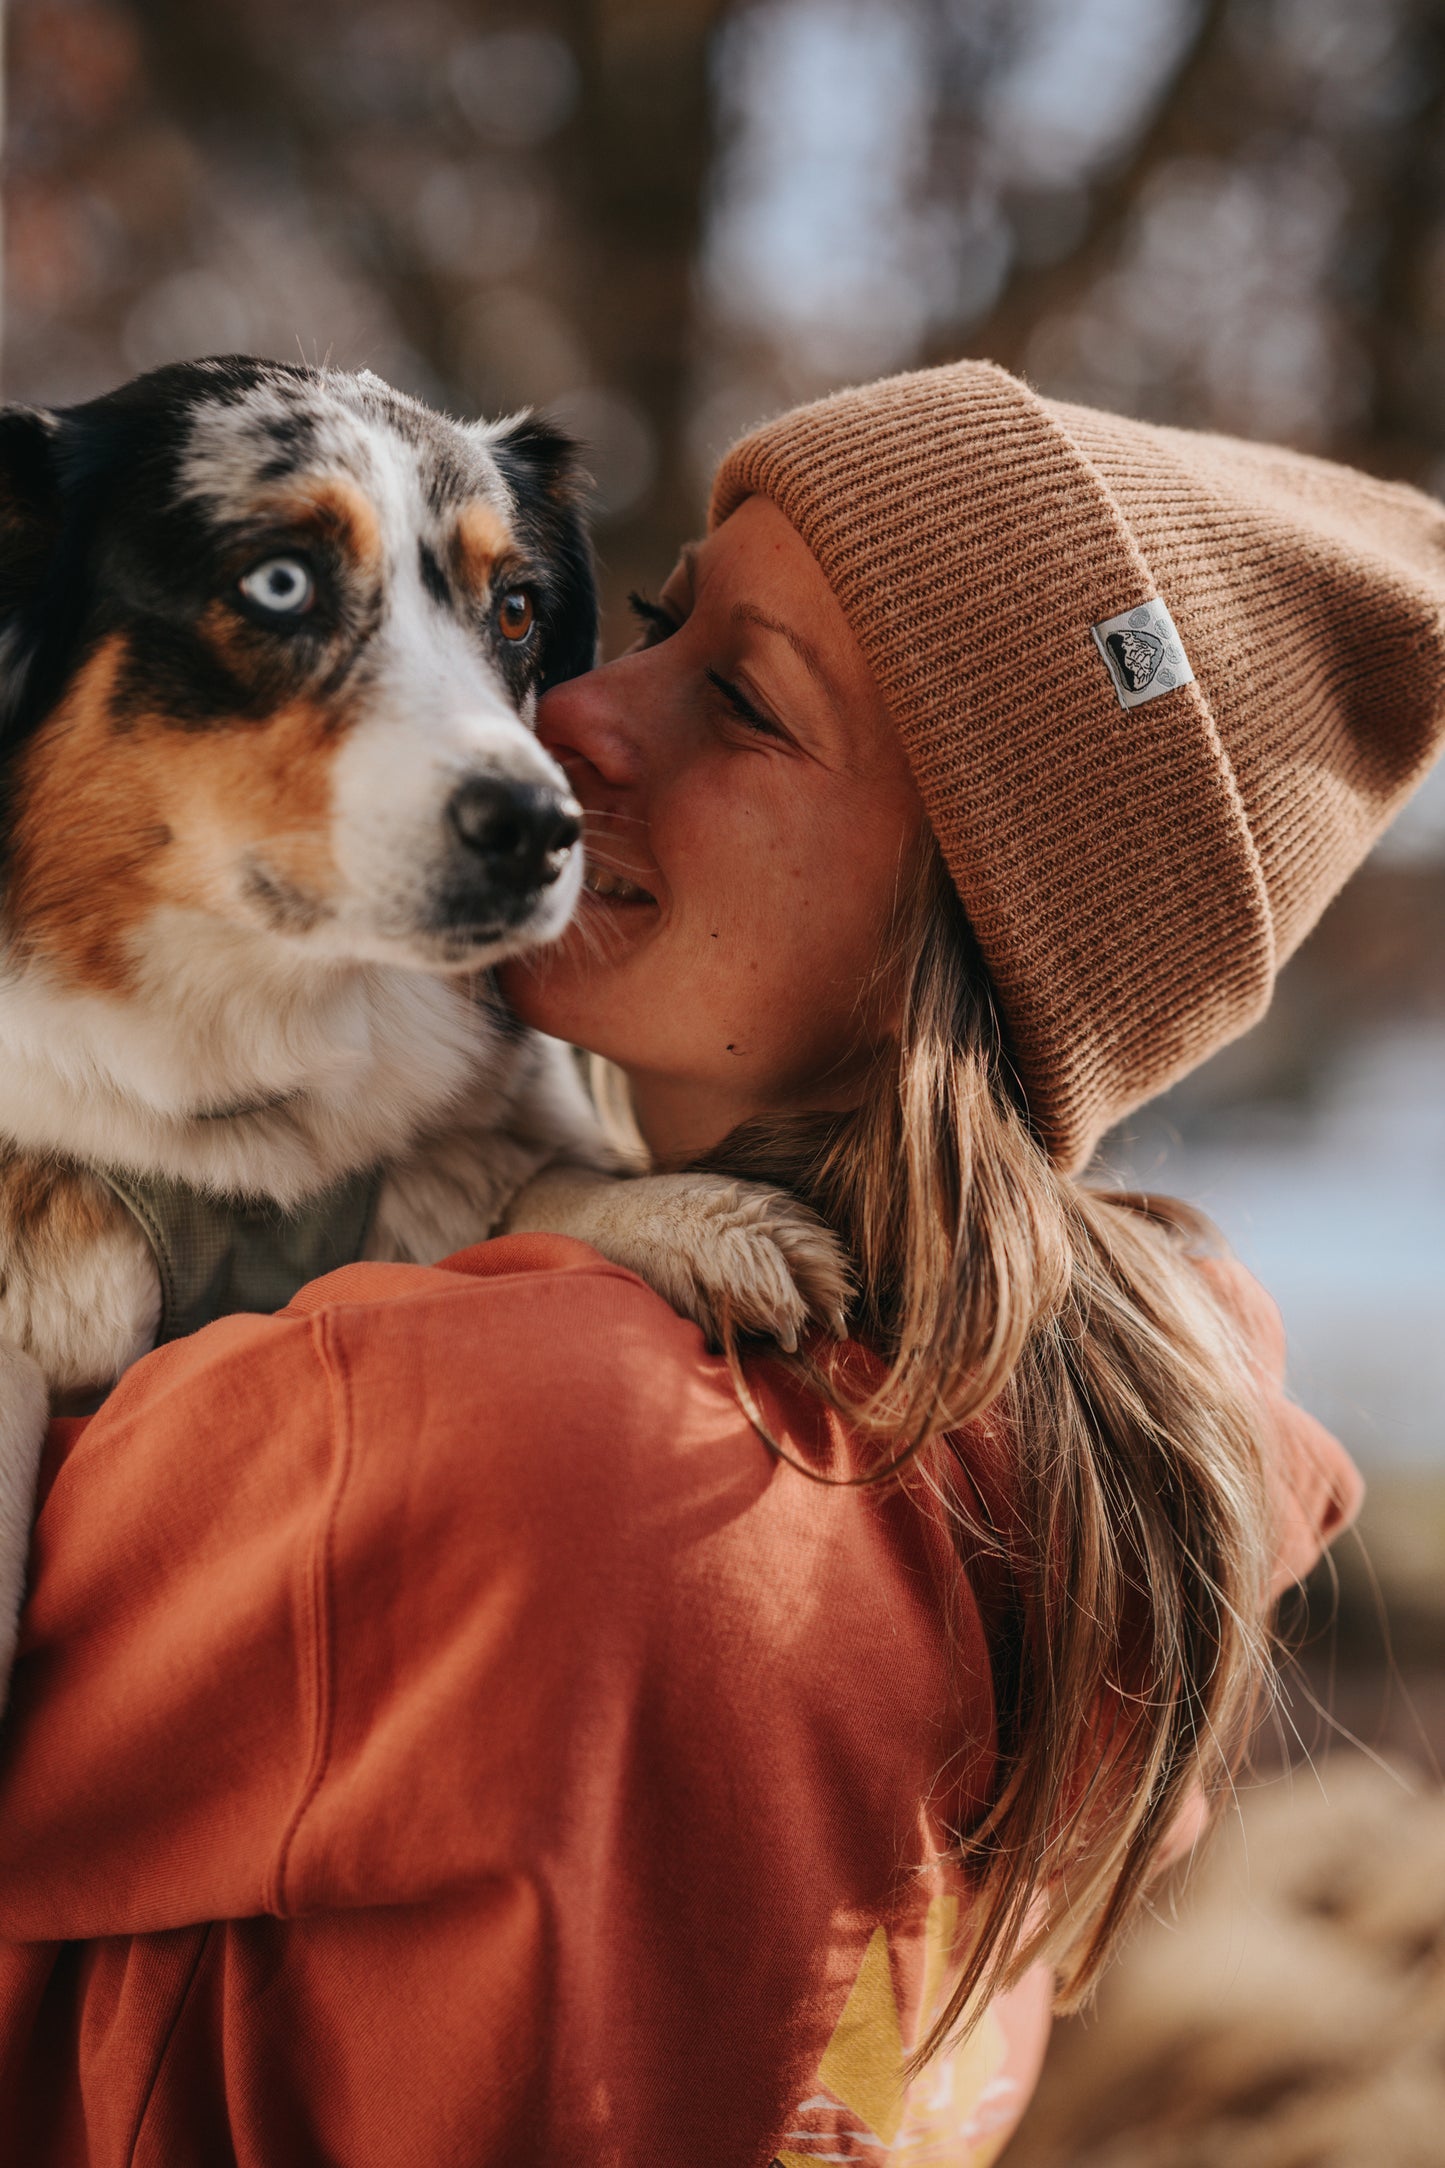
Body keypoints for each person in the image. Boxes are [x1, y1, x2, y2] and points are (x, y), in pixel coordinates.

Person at [0, 358, 1438, 2167]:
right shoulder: (1095, 1451)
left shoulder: (498, 1431)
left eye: (743, 704)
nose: (571, 715)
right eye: (646, 622)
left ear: (954, 928)